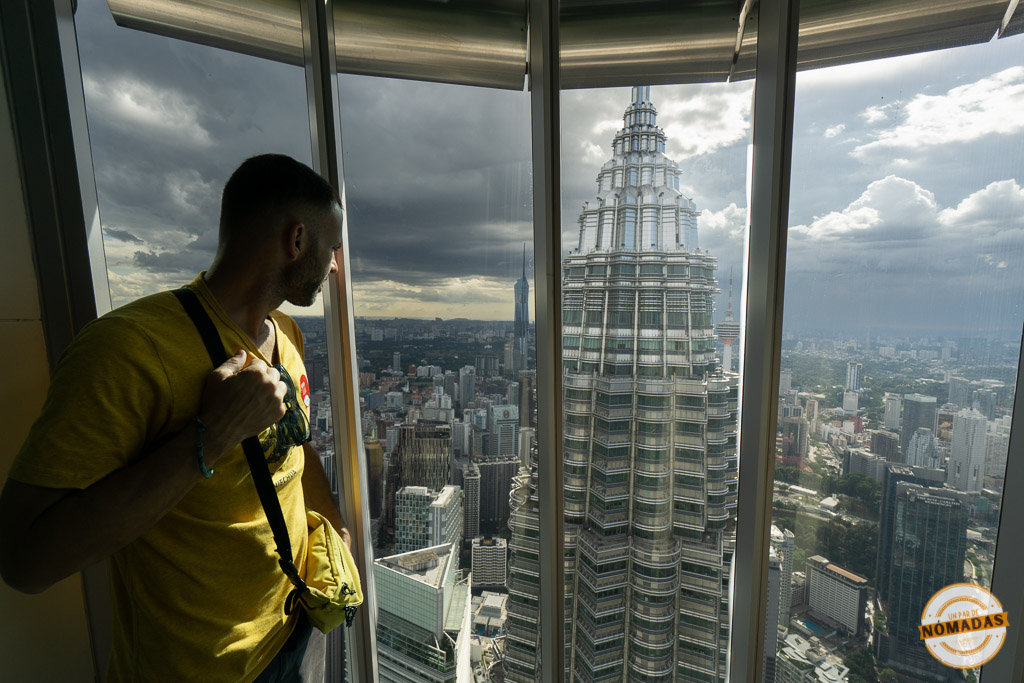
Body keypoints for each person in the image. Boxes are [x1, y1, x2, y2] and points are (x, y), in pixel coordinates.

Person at [0, 154, 352, 682]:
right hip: (200, 669)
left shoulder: (287, 337)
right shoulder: (128, 349)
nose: (334, 266)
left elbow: (295, 447)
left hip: (295, 630)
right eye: (332, 247)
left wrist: (336, 527)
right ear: (296, 240)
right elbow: (24, 559)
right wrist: (210, 438)